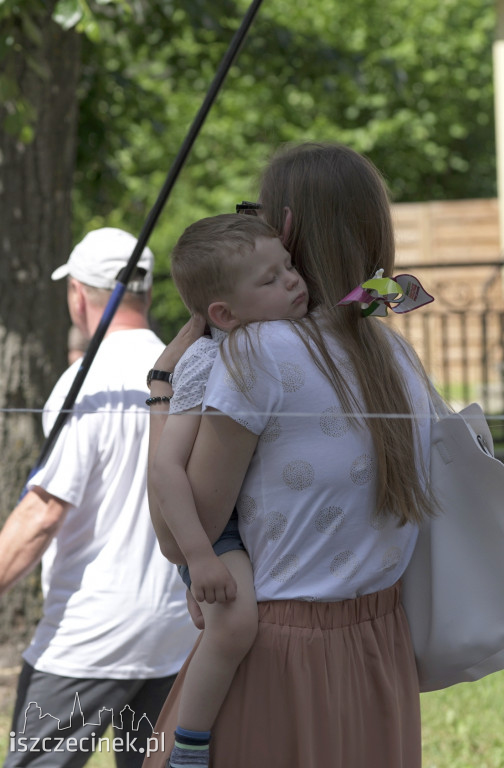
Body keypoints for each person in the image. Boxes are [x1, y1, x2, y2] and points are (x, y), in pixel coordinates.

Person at [145, 142, 436, 768]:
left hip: (282, 654)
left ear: (286, 227)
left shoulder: (259, 353)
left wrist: (164, 387)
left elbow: (178, 535)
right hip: (381, 648)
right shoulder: (396, 356)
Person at [0, 227, 199, 768]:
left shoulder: (82, 384)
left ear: (78, 293)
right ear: (148, 292)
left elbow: (43, 512)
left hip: (88, 642)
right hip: (174, 636)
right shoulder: (186, 372)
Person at [147, 214, 309, 768]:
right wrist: (198, 558)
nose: (292, 281)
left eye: (290, 266)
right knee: (235, 621)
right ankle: (187, 743)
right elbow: (168, 468)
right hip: (209, 526)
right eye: (270, 280)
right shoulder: (204, 360)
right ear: (223, 314)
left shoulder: (276, 340)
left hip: (245, 510)